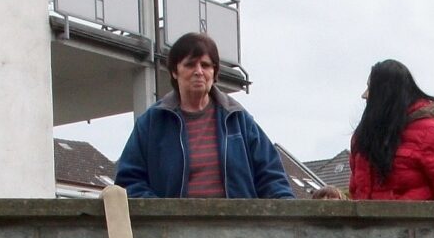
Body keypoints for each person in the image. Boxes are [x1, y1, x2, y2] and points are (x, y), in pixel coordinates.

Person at [114, 33, 297, 199]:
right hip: (173, 231)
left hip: (237, 231)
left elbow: (272, 178)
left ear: (214, 72)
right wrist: (163, 216)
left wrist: (289, 218)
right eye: (190, 64)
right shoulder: (152, 123)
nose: (199, 71)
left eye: (206, 65)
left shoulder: (239, 120)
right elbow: (129, 182)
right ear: (174, 71)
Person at [347, 59, 434, 202]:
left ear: (386, 94)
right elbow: (356, 190)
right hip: (369, 224)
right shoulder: (363, 136)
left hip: (416, 224)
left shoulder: (430, 132)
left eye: (370, 88)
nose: (364, 95)